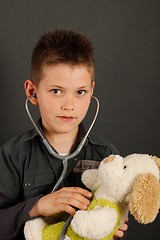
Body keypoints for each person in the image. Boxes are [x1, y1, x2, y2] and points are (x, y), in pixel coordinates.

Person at [0, 29, 128, 239]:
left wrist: (114, 226)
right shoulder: (13, 154)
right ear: (33, 92)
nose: (69, 105)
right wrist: (37, 206)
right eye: (56, 91)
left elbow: (115, 213)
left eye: (80, 92)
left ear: (91, 91)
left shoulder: (107, 156)